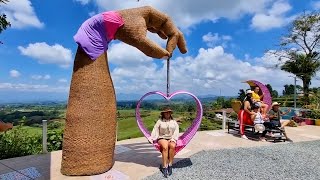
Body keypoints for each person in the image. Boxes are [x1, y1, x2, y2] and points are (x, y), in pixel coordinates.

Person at [149, 107, 179, 178]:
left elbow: (176, 130)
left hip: (171, 138)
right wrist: (152, 138)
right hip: (162, 138)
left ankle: (170, 164)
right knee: (165, 147)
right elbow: (155, 129)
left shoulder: (173, 121)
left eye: (169, 112)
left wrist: (174, 139)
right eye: (166, 112)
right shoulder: (160, 121)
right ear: (163, 114)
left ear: (170, 113)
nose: (167, 114)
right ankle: (164, 166)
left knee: (172, 146)